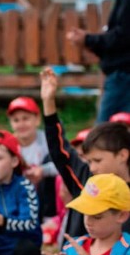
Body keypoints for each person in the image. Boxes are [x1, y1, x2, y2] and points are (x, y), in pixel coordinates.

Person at [41, 67, 130, 238]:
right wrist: (48, 102)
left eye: (97, 160)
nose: (92, 167)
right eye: (89, 161)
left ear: (123, 155)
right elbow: (60, 151)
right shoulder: (87, 180)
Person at [66, 0, 130, 123]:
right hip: (121, 75)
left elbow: (124, 37)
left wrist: (88, 39)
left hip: (123, 77)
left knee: (102, 137)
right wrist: (87, 40)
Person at [7, 96, 57, 218]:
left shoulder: (47, 140)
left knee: (51, 160)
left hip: (45, 194)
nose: (21, 124)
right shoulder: (9, 144)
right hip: (18, 192)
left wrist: (43, 171)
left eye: (26, 118)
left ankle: (48, 218)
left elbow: (65, 163)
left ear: (37, 119)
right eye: (16, 120)